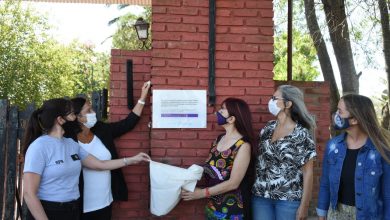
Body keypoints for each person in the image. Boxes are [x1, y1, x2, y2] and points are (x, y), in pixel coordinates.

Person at [23, 98, 150, 220]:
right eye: (69, 111)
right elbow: (29, 193)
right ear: (60, 119)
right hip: (49, 209)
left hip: (73, 209)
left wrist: (132, 160)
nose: (73, 113)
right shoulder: (39, 147)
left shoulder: (71, 144)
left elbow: (99, 164)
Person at [62, 81, 151, 220]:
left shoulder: (101, 129)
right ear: (78, 117)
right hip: (80, 206)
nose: (93, 112)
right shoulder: (68, 140)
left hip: (105, 202)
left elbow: (127, 124)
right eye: (88, 111)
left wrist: (142, 98)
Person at [317, 94, 390, 220]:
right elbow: (325, 183)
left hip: (369, 216)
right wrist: (322, 213)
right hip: (336, 215)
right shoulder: (332, 146)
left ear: (354, 120)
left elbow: (387, 193)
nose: (335, 115)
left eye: (340, 111)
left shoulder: (381, 150)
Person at [181, 97, 255, 220]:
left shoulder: (243, 145)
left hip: (233, 211)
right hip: (212, 206)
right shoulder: (219, 139)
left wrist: (201, 193)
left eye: (222, 110)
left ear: (231, 119)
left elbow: (233, 183)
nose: (217, 113)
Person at [252, 85, 317, 220]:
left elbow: (308, 173)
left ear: (288, 103)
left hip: (288, 199)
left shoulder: (301, 134)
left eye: (274, 98)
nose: (271, 101)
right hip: (261, 196)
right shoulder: (268, 128)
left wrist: (304, 206)